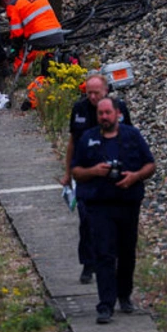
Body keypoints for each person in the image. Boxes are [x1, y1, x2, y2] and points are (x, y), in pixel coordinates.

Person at [72, 97, 155, 325]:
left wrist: (135, 176)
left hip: (128, 203)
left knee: (127, 253)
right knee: (104, 255)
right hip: (100, 205)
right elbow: (76, 171)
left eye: (108, 113)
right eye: (101, 114)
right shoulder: (88, 138)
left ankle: (124, 295)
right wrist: (95, 172)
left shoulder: (132, 135)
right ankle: (105, 304)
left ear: (117, 114)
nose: (104, 117)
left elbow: (150, 165)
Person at [61, 75, 133, 285]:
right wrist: (68, 173)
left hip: (113, 172)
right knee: (86, 220)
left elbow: (129, 138)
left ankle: (114, 262)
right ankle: (88, 263)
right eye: (88, 93)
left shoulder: (119, 109)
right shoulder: (80, 109)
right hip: (86, 173)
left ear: (106, 91)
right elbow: (72, 143)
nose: (92, 97)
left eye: (96, 93)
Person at [0, 0, 65, 74]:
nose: (6, 9)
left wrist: (15, 49)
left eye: (5, 6)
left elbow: (17, 34)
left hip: (39, 40)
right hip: (58, 34)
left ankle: (30, 69)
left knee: (19, 64)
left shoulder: (12, 5)